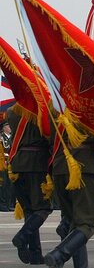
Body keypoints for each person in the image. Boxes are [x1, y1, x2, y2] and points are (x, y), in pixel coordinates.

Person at [45, 124, 94, 268]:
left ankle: (81, 264)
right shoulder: (86, 106)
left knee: (75, 221)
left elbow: (48, 137)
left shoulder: (55, 107)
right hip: (84, 167)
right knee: (87, 223)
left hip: (60, 167)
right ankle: (59, 254)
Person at [8, 108, 53, 264]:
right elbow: (50, 136)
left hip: (17, 163)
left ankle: (35, 254)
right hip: (36, 163)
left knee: (29, 210)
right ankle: (22, 236)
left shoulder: (12, 112)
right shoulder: (41, 111)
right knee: (42, 208)